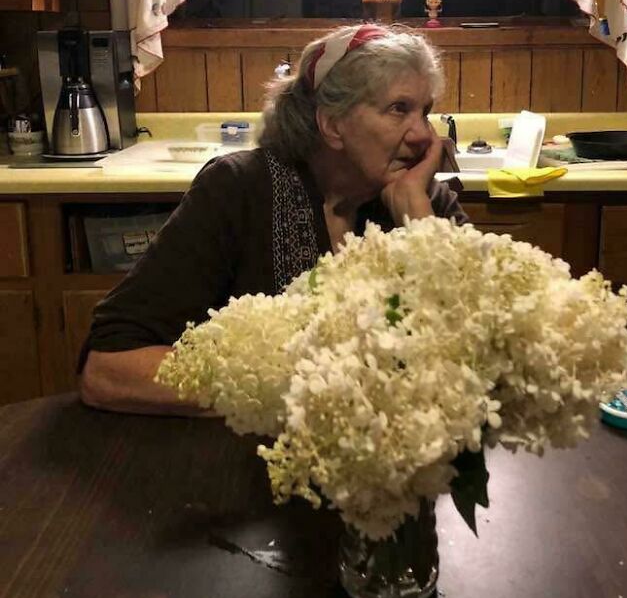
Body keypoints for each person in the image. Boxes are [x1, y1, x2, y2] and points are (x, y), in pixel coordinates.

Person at [78, 24, 467, 414]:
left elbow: (480, 354)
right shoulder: (240, 188)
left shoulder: (425, 198)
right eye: (399, 109)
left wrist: (419, 220)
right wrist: (296, 389)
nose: (423, 136)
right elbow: (109, 367)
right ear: (332, 124)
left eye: (425, 112)